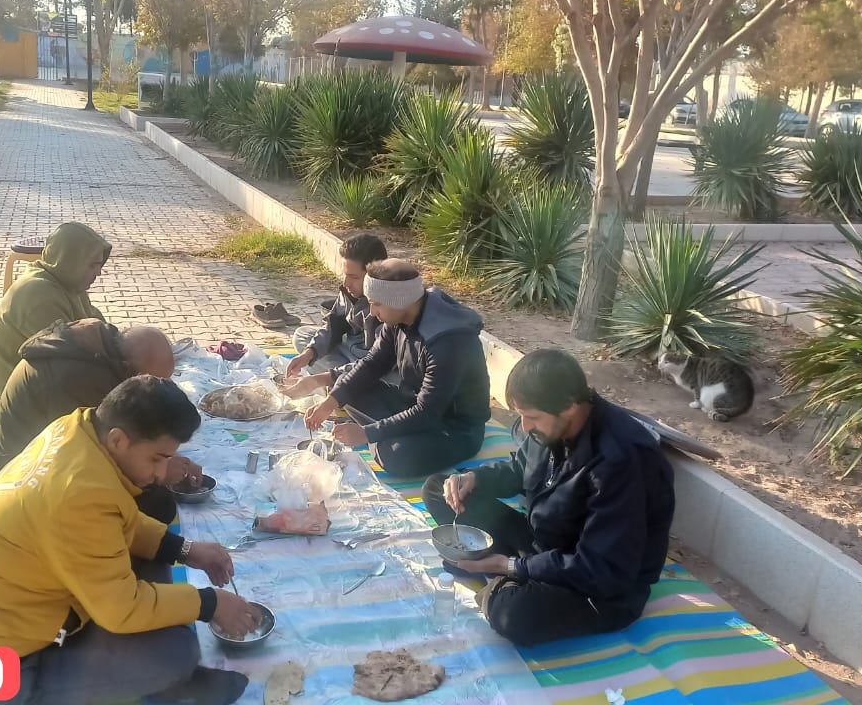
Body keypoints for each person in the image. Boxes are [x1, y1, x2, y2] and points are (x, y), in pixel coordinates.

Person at [0, 376, 261, 705]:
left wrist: (184, 550)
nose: (161, 473)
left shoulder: (76, 430)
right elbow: (121, 608)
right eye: (156, 458)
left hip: (21, 608)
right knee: (176, 654)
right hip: (6, 662)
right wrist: (209, 603)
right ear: (118, 440)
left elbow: (117, 519)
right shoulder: (77, 495)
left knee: (156, 571)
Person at [421, 349, 676, 647]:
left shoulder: (622, 461)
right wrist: (474, 478)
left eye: (532, 417)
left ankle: (502, 581)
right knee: (439, 487)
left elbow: (601, 569)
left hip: (597, 582)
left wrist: (510, 566)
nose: (525, 427)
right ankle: (504, 577)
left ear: (569, 406)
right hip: (542, 542)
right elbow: (519, 468)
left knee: (513, 615)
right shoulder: (552, 426)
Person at [0, 320, 198, 520]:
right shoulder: (80, 382)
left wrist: (162, 454)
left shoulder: (103, 349)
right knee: (158, 506)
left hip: (42, 467)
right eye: (152, 381)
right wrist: (162, 470)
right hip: (17, 487)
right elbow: (95, 466)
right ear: (129, 371)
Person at [301, 259, 490, 478]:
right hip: (412, 403)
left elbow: (427, 412)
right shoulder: (398, 319)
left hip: (454, 428)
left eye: (377, 304)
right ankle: (388, 431)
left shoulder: (447, 342)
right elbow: (372, 364)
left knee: (396, 455)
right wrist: (330, 402)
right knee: (344, 388)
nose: (372, 312)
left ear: (400, 300)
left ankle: (386, 435)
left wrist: (367, 434)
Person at [0, 221, 111, 403]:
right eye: (92, 265)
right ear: (70, 261)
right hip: (19, 403)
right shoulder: (38, 295)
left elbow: (100, 328)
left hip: (45, 384)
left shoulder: (69, 283)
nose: (99, 272)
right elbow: (71, 360)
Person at [285, 234, 387, 380]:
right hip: (347, 352)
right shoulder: (348, 290)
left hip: (373, 362)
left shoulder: (389, 305)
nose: (346, 283)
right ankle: (344, 376)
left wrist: (323, 379)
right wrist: (309, 353)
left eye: (354, 277)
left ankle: (343, 378)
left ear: (375, 275)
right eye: (345, 275)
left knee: (382, 378)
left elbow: (379, 359)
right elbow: (333, 326)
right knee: (302, 335)